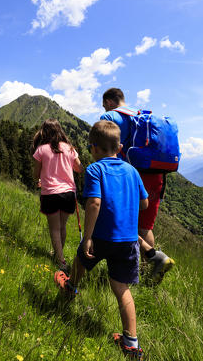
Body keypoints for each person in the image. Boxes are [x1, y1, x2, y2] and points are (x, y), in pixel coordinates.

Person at [55, 120, 147, 358]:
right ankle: (131, 344)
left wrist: (87, 237)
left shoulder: (95, 169)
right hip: (127, 241)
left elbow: (94, 203)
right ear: (120, 148)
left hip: (101, 236)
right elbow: (145, 203)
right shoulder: (132, 171)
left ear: (93, 148)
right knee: (121, 288)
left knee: (81, 261)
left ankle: (70, 287)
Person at [100, 87, 174, 283]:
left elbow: (102, 143)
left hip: (131, 176)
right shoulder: (141, 116)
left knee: (122, 220)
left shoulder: (110, 116)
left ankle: (130, 271)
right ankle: (149, 268)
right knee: (145, 226)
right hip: (156, 175)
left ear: (108, 102)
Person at [32, 119, 83, 273]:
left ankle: (61, 261)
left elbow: (35, 173)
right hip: (68, 193)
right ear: (60, 131)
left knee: (54, 228)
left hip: (50, 193)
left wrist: (39, 180)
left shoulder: (41, 150)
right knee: (62, 226)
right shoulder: (69, 148)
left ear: (44, 132)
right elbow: (80, 169)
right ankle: (58, 254)